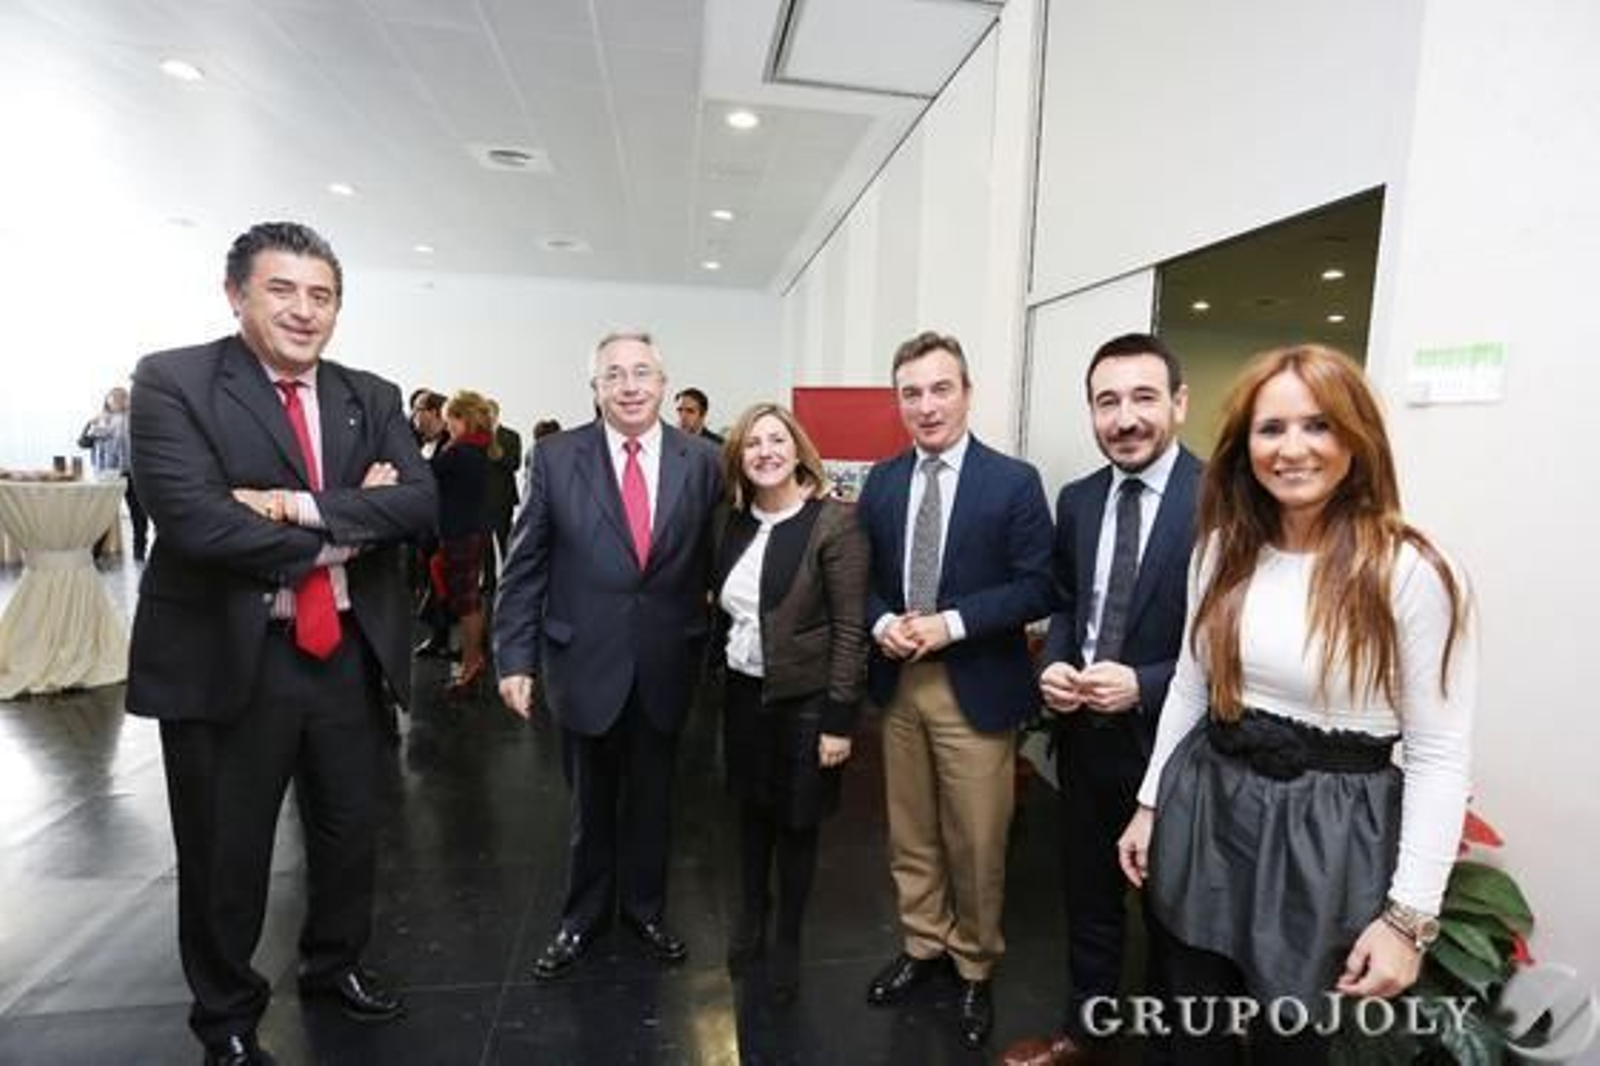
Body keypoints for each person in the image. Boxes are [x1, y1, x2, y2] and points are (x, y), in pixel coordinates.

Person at [126, 221, 436, 1066]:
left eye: (322, 295)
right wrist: (350, 522)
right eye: (283, 290)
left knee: (349, 831)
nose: (305, 311)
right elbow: (193, 522)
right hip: (232, 658)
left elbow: (418, 503)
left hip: (343, 651)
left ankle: (336, 967)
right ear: (237, 295)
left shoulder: (369, 394)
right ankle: (225, 1012)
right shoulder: (175, 381)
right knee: (227, 849)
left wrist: (290, 506)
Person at [1117, 345, 1475, 1065]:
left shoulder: (1410, 570)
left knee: (1298, 1046)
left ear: (1357, 437)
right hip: (1210, 806)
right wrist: (1152, 804)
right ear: (1244, 446)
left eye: (1317, 425)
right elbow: (1192, 684)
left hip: (1332, 836)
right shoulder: (1221, 550)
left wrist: (1408, 921)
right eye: (1270, 429)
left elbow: (1439, 754)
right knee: (1189, 1026)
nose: (1292, 449)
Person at [495, 329, 722, 981]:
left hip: (665, 659)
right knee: (589, 804)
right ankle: (581, 917)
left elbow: (720, 559)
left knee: (655, 798)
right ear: (594, 386)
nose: (629, 385)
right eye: (614, 375)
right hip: (582, 661)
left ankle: (646, 911)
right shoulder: (556, 456)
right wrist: (514, 657)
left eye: (642, 373)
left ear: (664, 382)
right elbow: (526, 563)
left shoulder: (702, 462)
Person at [855, 330, 1055, 1049]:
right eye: (912, 393)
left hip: (975, 683)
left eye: (941, 389)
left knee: (975, 839)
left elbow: (1039, 585)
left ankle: (974, 963)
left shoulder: (1014, 481)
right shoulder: (880, 481)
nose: (927, 405)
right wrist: (881, 620)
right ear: (898, 401)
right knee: (910, 831)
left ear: (967, 392)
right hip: (900, 683)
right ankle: (922, 946)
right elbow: (864, 577)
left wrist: (952, 624)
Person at [1003, 334, 1200, 1066]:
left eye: (1144, 398)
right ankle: (1084, 1032)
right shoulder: (1079, 499)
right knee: (1087, 899)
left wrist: (1142, 683)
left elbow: (1234, 645)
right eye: (1107, 401)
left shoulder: (1220, 500)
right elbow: (1067, 608)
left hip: (1179, 755)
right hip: (1087, 743)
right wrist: (1054, 666)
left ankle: (1168, 1048)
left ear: (1179, 403)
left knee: (1174, 921)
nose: (1125, 418)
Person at [712, 403, 869, 1003]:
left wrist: (839, 721)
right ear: (739, 459)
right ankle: (751, 915)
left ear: (798, 449)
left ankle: (787, 938)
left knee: (797, 825)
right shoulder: (730, 523)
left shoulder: (833, 523)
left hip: (807, 702)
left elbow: (851, 628)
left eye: (777, 440)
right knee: (749, 816)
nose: (766, 452)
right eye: (753, 444)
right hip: (743, 693)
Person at [431, 390, 494, 698]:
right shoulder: (479, 449)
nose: (447, 427)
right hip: (473, 530)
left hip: (460, 532)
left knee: (466, 603)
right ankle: (474, 659)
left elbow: (428, 475)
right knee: (472, 601)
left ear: (461, 419)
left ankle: (471, 663)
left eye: (449, 421)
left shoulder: (458, 452)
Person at [79, 385, 150, 560]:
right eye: (114, 398)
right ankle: (93, 555)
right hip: (108, 475)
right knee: (103, 515)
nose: (118, 401)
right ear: (108, 401)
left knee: (139, 515)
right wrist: (90, 427)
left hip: (133, 473)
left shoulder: (138, 420)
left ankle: (139, 553)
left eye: (122, 397)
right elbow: (83, 443)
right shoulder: (99, 420)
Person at [482, 398, 522, 592]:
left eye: (487, 412)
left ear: (496, 413)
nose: (485, 416)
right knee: (485, 544)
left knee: (505, 540)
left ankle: (511, 581)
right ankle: (488, 582)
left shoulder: (511, 436)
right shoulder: (477, 437)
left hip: (503, 499)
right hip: (480, 498)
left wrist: (498, 455)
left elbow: (515, 463)